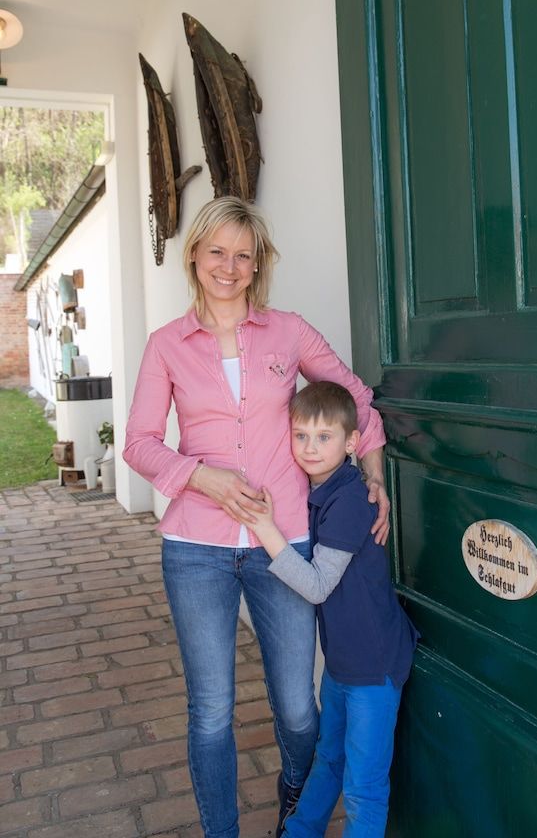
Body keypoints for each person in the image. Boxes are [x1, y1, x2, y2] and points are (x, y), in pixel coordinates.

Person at [123, 197, 390, 838]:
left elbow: (354, 397)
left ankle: (294, 814)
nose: (230, 266)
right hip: (195, 547)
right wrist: (202, 476)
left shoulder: (288, 332)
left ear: (258, 263)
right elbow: (138, 442)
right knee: (211, 711)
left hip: (286, 546)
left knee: (299, 710)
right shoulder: (166, 345)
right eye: (218, 251)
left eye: (244, 254)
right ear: (195, 255)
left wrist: (373, 467)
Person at [251, 380, 418, 837]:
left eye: (324, 437)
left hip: (373, 666)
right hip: (343, 663)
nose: (310, 447)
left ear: (351, 443)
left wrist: (265, 530)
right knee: (328, 760)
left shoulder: (349, 499)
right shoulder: (318, 489)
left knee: (362, 787)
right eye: (301, 435)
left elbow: (319, 586)